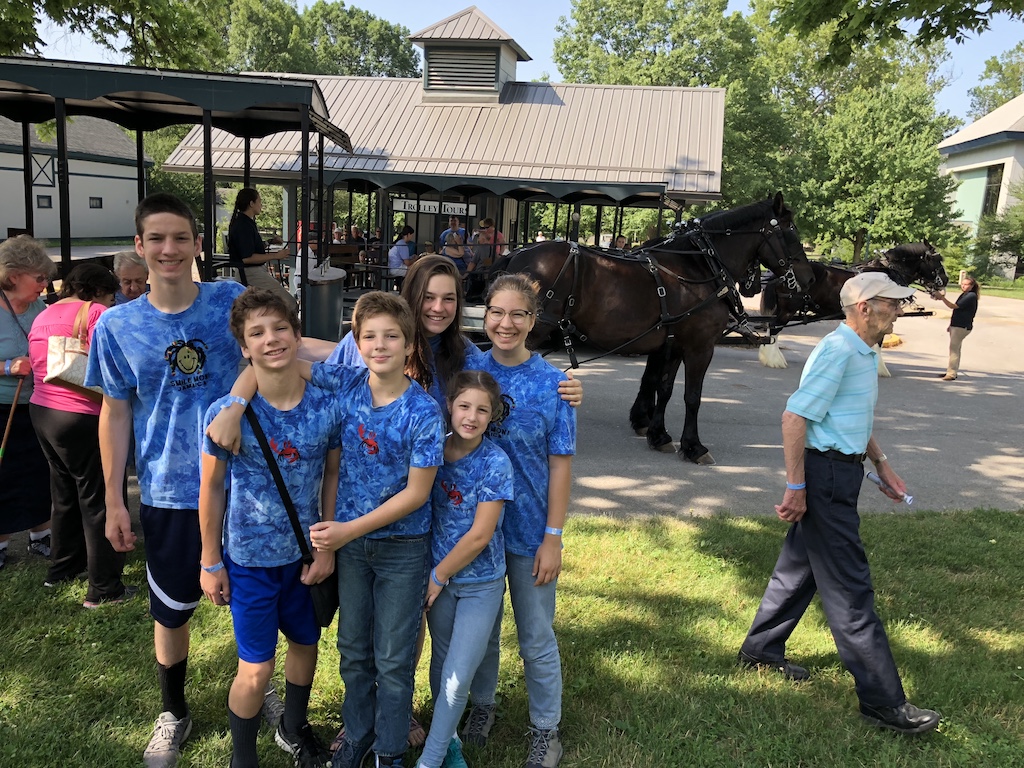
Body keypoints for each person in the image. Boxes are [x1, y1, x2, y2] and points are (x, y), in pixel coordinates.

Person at [85, 192, 251, 767]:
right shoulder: (116, 326)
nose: (169, 248)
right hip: (166, 490)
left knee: (255, 602)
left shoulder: (231, 302)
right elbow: (116, 412)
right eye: (156, 238)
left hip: (244, 487)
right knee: (171, 610)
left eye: (180, 237)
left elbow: (273, 352)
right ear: (139, 247)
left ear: (198, 244)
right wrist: (114, 500)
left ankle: (260, 694)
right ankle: (173, 710)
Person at [737, 271, 940, 735]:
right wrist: (796, 487)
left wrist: (882, 465)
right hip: (825, 476)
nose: (899, 310)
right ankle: (883, 702)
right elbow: (794, 417)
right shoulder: (838, 350)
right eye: (893, 303)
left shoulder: (864, 351)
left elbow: (853, 415)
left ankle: (760, 650)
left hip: (843, 472)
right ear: (865, 307)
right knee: (850, 589)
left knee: (799, 570)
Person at [199, 288, 338, 768]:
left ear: (298, 334)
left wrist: (327, 547)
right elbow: (212, 488)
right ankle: (243, 757)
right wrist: (210, 560)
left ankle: (294, 728)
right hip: (250, 562)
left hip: (304, 557)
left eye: (280, 328)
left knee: (306, 645)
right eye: (256, 333)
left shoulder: (325, 405)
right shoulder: (225, 413)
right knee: (255, 671)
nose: (271, 339)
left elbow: (333, 476)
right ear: (243, 346)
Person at [305, 291, 445, 768]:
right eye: (369, 336)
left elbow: (417, 494)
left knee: (393, 654)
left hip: (401, 548)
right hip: (351, 547)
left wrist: (347, 530)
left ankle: (389, 747)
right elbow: (276, 361)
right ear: (356, 342)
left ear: (409, 346)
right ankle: (358, 733)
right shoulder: (345, 387)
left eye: (392, 336)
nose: (380, 345)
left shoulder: (424, 411)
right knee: (352, 650)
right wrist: (239, 398)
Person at [462, 273, 576, 768]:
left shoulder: (555, 385)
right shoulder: (467, 369)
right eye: (496, 312)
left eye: (517, 314)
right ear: (484, 315)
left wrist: (553, 536)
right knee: (480, 633)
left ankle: (545, 729)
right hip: (474, 534)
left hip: (530, 531)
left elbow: (560, 464)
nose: (505, 323)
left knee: (535, 636)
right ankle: (481, 707)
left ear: (533, 320)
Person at [415, 370, 513, 768]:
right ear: (450, 408)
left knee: (457, 679)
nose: (471, 417)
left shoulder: (495, 462)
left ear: (493, 416)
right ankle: (451, 741)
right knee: (441, 665)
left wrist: (438, 576)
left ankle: (430, 759)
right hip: (439, 581)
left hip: (479, 583)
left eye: (482, 410)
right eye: (464, 406)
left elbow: (479, 535)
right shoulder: (432, 452)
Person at [27, 262, 135, 606]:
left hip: (42, 410)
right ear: (98, 291)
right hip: (83, 414)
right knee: (100, 497)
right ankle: (104, 588)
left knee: (63, 494)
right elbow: (121, 359)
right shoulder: (96, 313)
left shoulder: (43, 314)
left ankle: (62, 568)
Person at [0, 235, 55, 571]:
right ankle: (1, 542)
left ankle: (42, 535)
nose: (44, 284)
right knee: (2, 473)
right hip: (2, 407)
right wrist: (7, 367)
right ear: (13, 276)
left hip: (36, 403)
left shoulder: (40, 308)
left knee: (38, 470)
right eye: (38, 278)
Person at [227, 188, 297, 310]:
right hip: (251, 273)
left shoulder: (246, 222)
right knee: (289, 304)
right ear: (251, 204)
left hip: (255, 272)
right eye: (259, 201)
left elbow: (251, 247)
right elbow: (247, 258)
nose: (261, 205)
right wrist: (276, 256)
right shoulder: (243, 225)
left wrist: (270, 242)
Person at [930, 274, 979, 381]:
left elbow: (954, 306)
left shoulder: (971, 296)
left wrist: (942, 297)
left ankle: (951, 373)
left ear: (972, 286)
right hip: (957, 325)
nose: (964, 286)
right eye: (963, 284)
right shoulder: (964, 295)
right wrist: (950, 325)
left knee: (954, 350)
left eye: (967, 285)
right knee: (956, 349)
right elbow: (957, 311)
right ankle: (952, 371)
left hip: (962, 326)